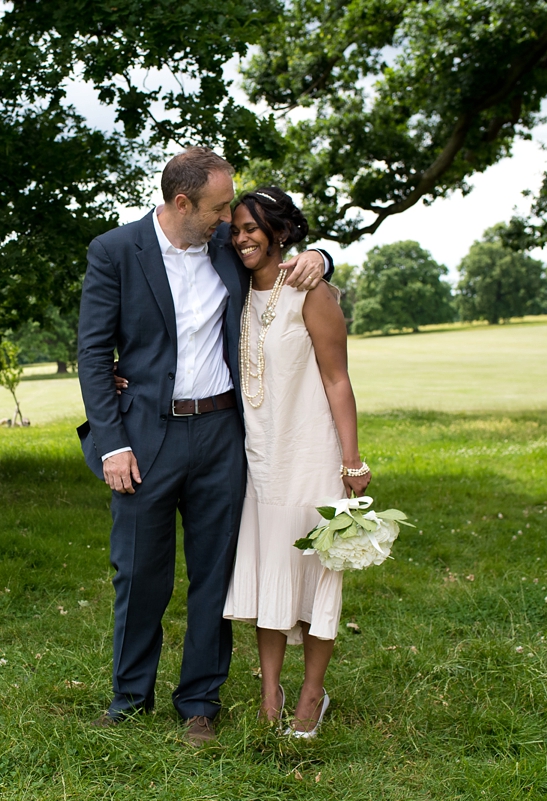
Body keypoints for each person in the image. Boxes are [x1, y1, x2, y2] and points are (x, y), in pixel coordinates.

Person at [75, 148, 332, 746]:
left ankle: (199, 704)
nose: (228, 220)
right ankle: (129, 698)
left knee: (213, 576)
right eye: (219, 208)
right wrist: (112, 444)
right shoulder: (115, 251)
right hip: (143, 439)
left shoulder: (224, 247)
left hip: (221, 434)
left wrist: (321, 255)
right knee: (140, 573)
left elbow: (280, 243)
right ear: (181, 203)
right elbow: (93, 354)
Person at [221, 187, 370, 738]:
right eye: (235, 229)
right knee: (268, 578)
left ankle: (312, 694)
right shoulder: (232, 290)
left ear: (280, 231)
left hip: (311, 457)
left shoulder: (313, 291)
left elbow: (338, 380)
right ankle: (269, 693)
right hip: (258, 462)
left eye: (253, 228)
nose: (242, 238)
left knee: (314, 575)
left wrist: (351, 462)